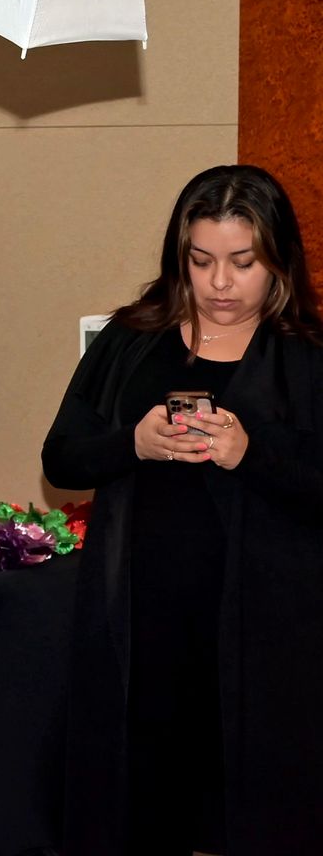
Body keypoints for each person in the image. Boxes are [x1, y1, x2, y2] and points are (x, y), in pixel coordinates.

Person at [42, 164, 323, 855]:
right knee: (142, 808)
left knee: (253, 809)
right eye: (201, 261)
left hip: (265, 641)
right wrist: (132, 443)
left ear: (278, 260)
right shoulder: (132, 339)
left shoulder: (306, 359)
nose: (220, 283)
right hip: (142, 627)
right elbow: (62, 459)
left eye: (242, 262)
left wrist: (251, 454)